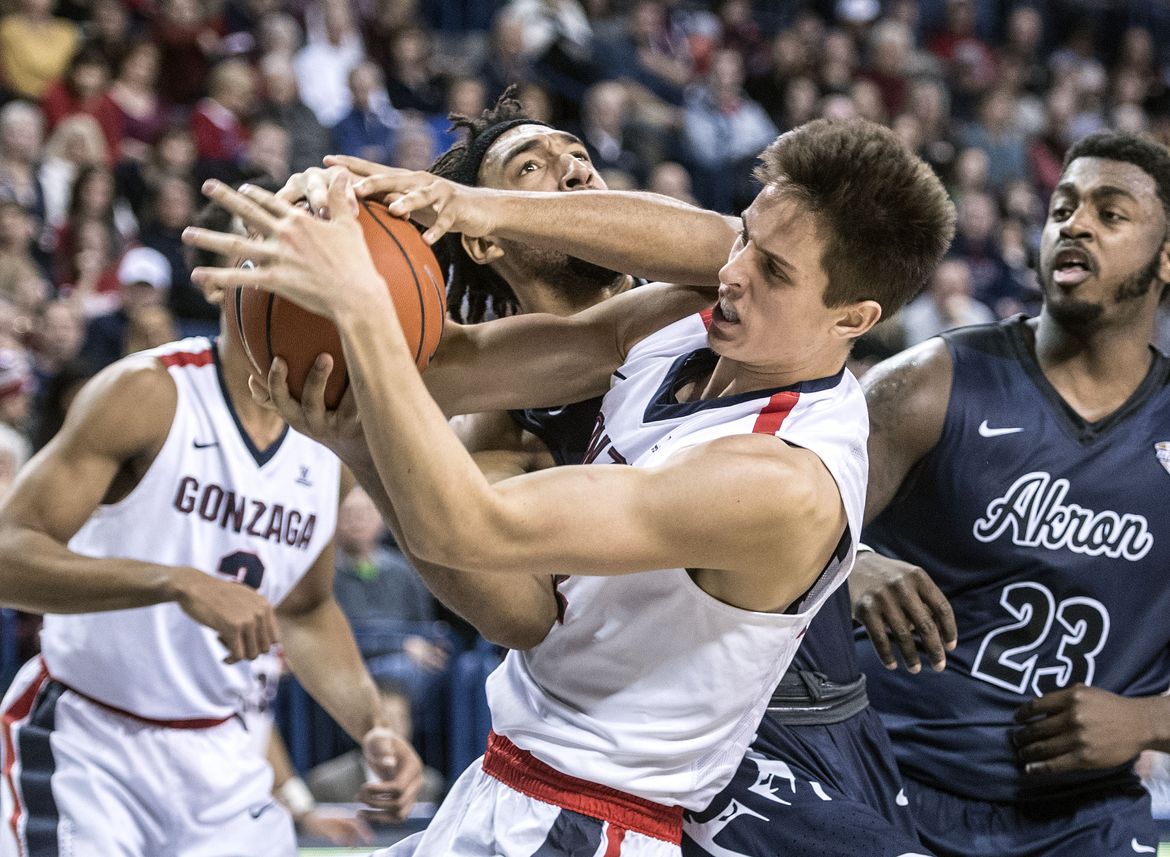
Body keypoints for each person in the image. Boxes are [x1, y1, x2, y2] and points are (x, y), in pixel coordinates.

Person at [183, 116, 954, 857]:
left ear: (854, 318)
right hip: (524, 770)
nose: (732, 269)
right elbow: (447, 377)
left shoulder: (780, 478)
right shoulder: (692, 321)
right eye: (747, 234)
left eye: (773, 270)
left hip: (637, 796)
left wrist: (364, 307)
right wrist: (323, 291)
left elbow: (472, 523)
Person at [0, 201, 423, 856]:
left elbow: (306, 612)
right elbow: (8, 555)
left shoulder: (329, 441)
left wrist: (372, 725)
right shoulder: (146, 393)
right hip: (89, 736)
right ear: (224, 278)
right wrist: (172, 580)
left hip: (225, 755)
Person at [851, 129, 1170, 856]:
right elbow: (763, 542)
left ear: (1167, 258)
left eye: (1111, 213)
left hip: (1082, 817)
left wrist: (1150, 719)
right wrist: (848, 564)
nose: (1075, 224)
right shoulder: (928, 381)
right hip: (882, 782)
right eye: (1063, 207)